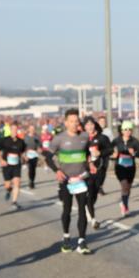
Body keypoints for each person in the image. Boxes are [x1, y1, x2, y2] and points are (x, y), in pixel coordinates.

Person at [46, 108, 95, 254]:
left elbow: (87, 152)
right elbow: (48, 157)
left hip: (81, 178)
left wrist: (90, 163)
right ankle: (66, 237)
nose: (74, 124)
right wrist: (57, 170)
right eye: (71, 121)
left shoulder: (84, 137)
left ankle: (82, 241)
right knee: (66, 210)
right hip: (66, 180)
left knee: (82, 209)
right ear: (66, 123)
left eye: (76, 121)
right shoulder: (59, 139)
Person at [84, 116, 112, 230]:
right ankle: (93, 220)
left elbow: (110, 150)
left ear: (95, 125)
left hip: (100, 169)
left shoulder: (102, 138)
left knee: (94, 194)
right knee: (89, 193)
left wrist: (100, 153)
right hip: (86, 170)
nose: (90, 127)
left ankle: (88, 208)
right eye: (87, 125)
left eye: (91, 124)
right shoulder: (82, 138)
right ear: (84, 127)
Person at [112, 120, 139, 216]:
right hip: (120, 167)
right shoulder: (116, 141)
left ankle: (124, 202)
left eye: (130, 129)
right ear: (122, 131)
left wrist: (134, 153)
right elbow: (109, 151)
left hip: (131, 167)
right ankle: (125, 207)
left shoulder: (134, 141)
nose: (128, 131)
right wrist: (113, 155)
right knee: (124, 185)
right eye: (125, 129)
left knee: (128, 188)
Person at [0, 125, 26, 210]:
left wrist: (24, 157)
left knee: (17, 182)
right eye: (13, 129)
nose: (14, 131)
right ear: (10, 130)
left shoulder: (21, 141)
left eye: (16, 129)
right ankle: (8, 190)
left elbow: (23, 152)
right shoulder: (5, 140)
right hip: (6, 164)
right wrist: (1, 160)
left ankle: (14, 202)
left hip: (17, 164)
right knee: (7, 184)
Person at [23, 124, 42, 189]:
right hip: (28, 154)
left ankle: (32, 181)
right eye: (31, 129)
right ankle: (30, 181)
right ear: (28, 129)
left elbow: (39, 146)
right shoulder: (26, 137)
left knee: (33, 169)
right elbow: (23, 147)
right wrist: (25, 155)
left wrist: (39, 149)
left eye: (33, 129)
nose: (32, 130)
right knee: (30, 168)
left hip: (35, 154)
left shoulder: (37, 137)